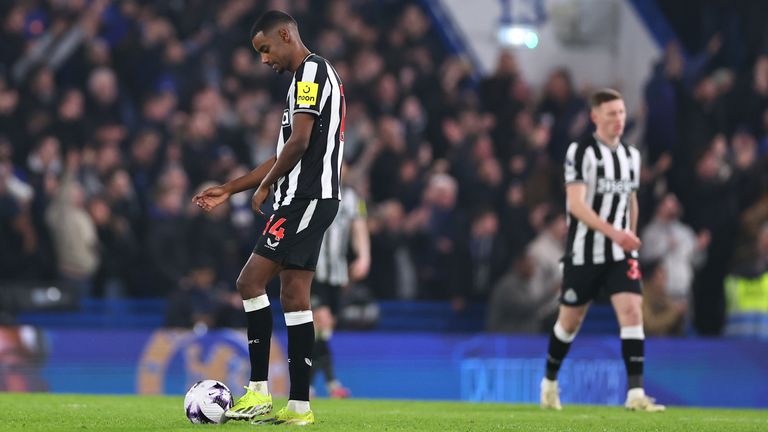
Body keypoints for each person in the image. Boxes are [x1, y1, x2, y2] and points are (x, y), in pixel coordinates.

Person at [193, 10, 345, 426]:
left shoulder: (313, 72)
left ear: (285, 34)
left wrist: (266, 187)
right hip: (308, 198)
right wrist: (230, 188)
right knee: (294, 297)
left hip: (305, 197)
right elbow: (283, 151)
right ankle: (299, 407)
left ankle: (258, 392)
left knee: (249, 281)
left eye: (265, 49)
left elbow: (298, 143)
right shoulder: (302, 81)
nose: (263, 59)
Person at [539, 89, 665, 412]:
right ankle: (550, 381)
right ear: (595, 117)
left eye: (621, 113)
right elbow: (576, 206)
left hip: (621, 255)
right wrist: (616, 234)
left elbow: (631, 200)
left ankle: (636, 394)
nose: (618, 120)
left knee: (633, 312)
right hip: (584, 253)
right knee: (569, 322)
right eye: (611, 114)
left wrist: (631, 239)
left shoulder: (631, 156)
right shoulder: (580, 152)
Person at [310, 176, 370, 398]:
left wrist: (364, 256)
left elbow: (359, 227)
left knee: (322, 332)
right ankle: (331, 383)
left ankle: (314, 384)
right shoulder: (312, 188)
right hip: (313, 269)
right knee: (320, 322)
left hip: (337, 273)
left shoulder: (353, 198)